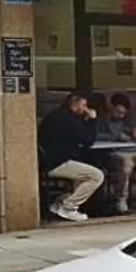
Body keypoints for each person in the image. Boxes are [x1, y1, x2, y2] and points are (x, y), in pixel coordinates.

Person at [38, 93, 103, 222]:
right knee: (97, 176)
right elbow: (88, 140)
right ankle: (69, 207)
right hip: (58, 162)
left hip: (47, 160)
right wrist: (92, 120)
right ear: (75, 104)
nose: (86, 108)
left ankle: (60, 203)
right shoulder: (69, 119)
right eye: (83, 105)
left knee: (82, 176)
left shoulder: (54, 115)